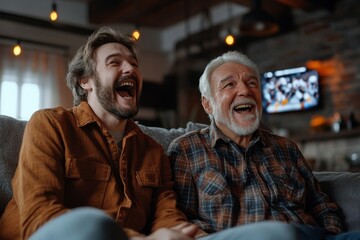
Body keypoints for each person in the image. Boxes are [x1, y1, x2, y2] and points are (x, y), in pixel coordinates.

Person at [0, 26, 202, 240]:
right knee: (93, 223)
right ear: (85, 81)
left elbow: (168, 217)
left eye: (134, 64)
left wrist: (188, 234)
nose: (130, 70)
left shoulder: (153, 151)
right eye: (115, 62)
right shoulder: (50, 125)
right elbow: (39, 216)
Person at [168, 51, 360, 240]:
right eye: (229, 84)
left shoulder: (287, 148)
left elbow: (320, 204)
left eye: (252, 83)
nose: (245, 90)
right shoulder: (185, 150)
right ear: (207, 104)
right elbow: (181, 218)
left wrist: (333, 233)